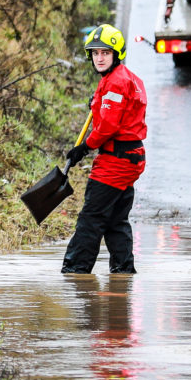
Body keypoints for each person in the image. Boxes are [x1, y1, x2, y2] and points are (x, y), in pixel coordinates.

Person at [61, 24, 147, 274]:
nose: (99, 58)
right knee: (115, 221)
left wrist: (83, 148)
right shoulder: (124, 77)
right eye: (95, 53)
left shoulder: (116, 83)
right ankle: (123, 273)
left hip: (116, 161)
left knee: (91, 218)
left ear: (116, 54)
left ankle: (75, 272)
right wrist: (97, 102)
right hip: (130, 157)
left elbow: (108, 125)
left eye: (105, 53)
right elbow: (119, 111)